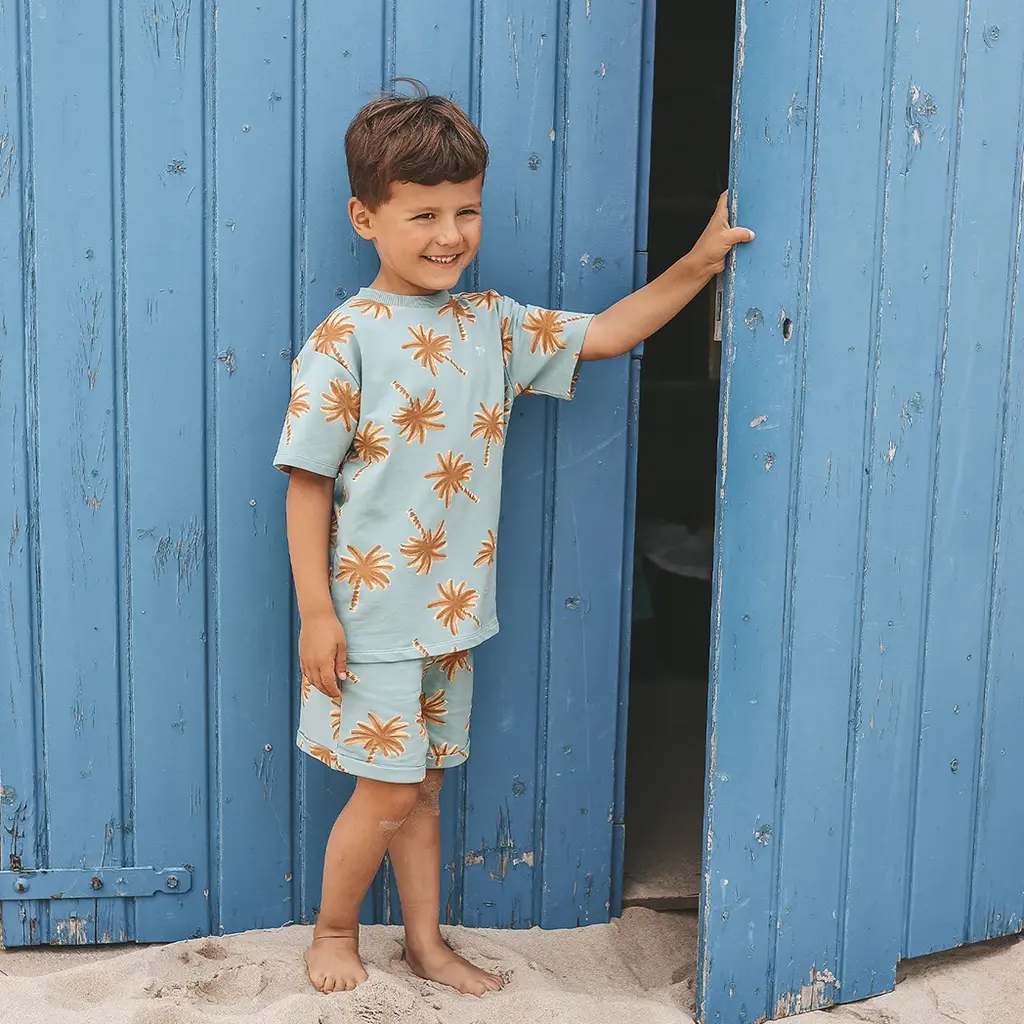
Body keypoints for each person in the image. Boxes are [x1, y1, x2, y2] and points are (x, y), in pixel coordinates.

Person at [273, 82, 754, 998]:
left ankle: (425, 944)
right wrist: (316, 614)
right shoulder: (346, 338)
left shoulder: (490, 323)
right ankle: (333, 932)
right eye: (423, 215)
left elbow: (605, 334)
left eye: (467, 211)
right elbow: (306, 481)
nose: (449, 234)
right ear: (365, 218)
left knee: (424, 787)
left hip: (453, 615)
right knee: (384, 790)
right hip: (372, 619)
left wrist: (697, 265)